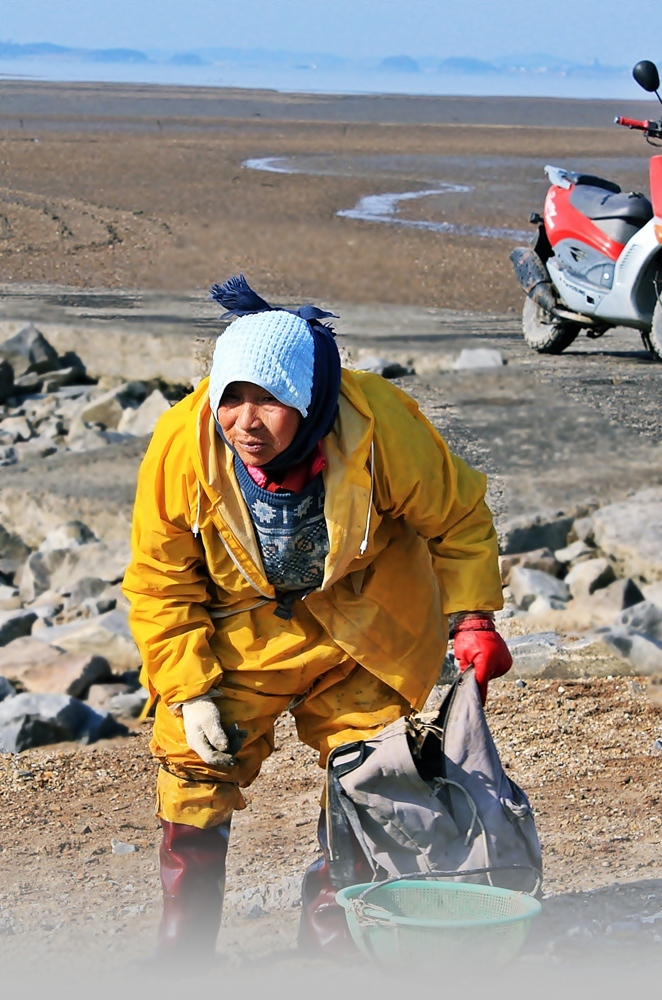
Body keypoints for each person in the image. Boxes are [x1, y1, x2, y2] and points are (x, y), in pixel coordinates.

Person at [122, 276, 512, 963]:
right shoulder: (184, 444)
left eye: (269, 400)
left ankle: (333, 943)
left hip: (366, 625)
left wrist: (472, 617)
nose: (245, 422)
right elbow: (160, 579)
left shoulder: (379, 426)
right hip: (243, 632)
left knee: (370, 773)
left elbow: (458, 519)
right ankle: (183, 953)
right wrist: (188, 690)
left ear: (307, 400)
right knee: (191, 763)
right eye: (231, 398)